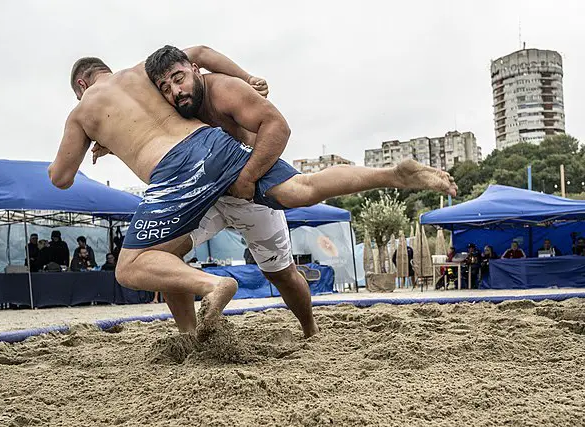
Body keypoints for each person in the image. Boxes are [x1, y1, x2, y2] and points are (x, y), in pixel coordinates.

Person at [50, 48, 456, 340]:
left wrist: (87, 135)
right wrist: (247, 76)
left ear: (82, 85)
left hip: (185, 175)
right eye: (168, 86)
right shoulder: (144, 73)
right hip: (215, 154)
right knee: (302, 188)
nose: (173, 90)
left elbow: (61, 177)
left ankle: (216, 287)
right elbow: (202, 52)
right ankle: (391, 174)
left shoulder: (83, 109)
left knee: (132, 266)